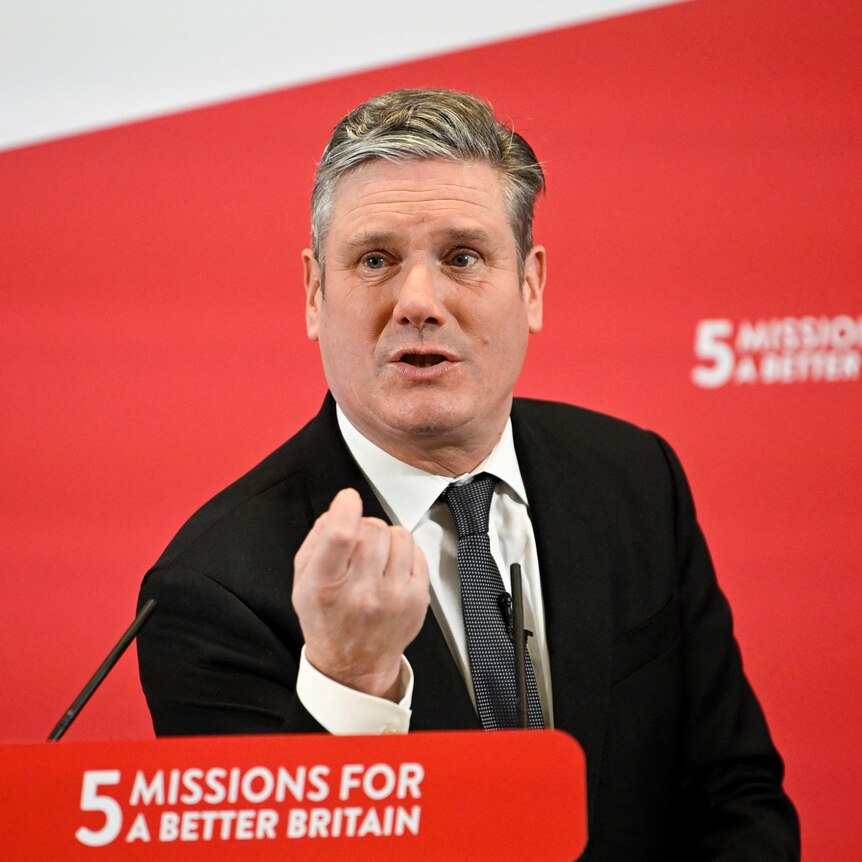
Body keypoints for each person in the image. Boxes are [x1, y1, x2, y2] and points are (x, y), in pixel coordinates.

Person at [137, 88, 799, 859]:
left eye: (462, 257)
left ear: (531, 286)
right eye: (376, 260)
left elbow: (734, 795)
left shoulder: (634, 480)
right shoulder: (210, 588)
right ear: (316, 293)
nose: (418, 301)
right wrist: (352, 684)